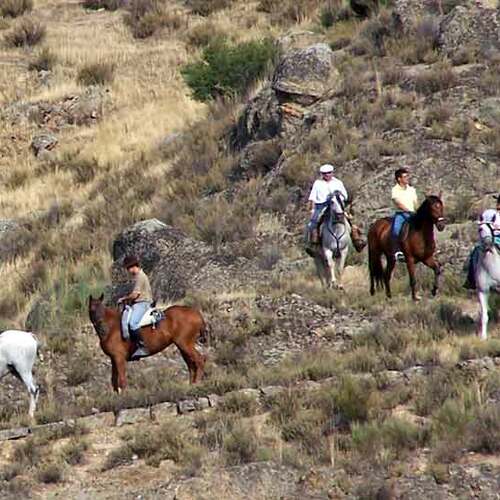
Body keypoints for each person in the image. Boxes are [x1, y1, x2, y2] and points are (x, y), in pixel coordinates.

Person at [306, 163, 366, 253]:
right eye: (325, 173)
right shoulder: (317, 183)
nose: (327, 175)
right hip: (322, 207)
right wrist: (312, 209)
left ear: (332, 173)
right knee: (314, 224)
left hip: (337, 206)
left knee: (351, 221)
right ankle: (314, 244)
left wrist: (339, 199)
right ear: (322, 174)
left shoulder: (338, 183)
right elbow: (312, 198)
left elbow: (345, 196)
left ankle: (356, 241)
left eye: (329, 173)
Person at [117, 255, 153, 360]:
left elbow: (135, 294)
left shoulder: (140, 277)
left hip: (143, 303)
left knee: (133, 323)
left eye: (128, 268)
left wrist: (124, 299)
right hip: (138, 303)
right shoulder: (138, 276)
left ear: (133, 266)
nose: (128, 271)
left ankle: (142, 346)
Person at [464, 194, 500, 289]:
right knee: (476, 251)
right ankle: (471, 279)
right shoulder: (491, 214)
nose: (498, 205)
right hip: (491, 240)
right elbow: (484, 226)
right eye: (498, 203)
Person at [391, 167, 418, 262]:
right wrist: (408, 210)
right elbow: (398, 203)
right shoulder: (395, 190)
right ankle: (397, 251)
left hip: (413, 214)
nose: (407, 178)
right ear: (399, 179)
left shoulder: (412, 190)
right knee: (395, 230)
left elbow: (415, 203)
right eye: (405, 177)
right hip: (401, 214)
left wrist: (417, 211)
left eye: (407, 176)